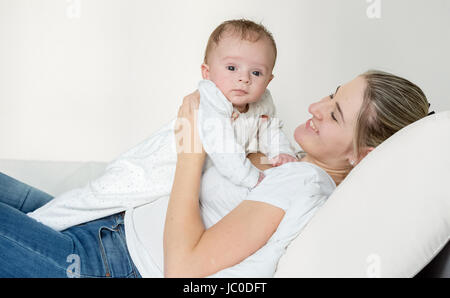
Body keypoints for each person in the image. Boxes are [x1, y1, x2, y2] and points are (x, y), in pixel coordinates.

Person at [0, 68, 431, 277]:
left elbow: (184, 269)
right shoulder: (293, 162)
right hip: (106, 226)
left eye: (335, 114)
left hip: (103, 262)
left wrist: (191, 148)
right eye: (331, 94)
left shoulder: (304, 184)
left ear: (364, 155)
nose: (317, 107)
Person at [24, 19, 297, 232]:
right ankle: (33, 225)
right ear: (207, 73)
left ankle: (35, 221)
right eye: (232, 68)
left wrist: (281, 154)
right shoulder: (211, 100)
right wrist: (252, 179)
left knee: (95, 214)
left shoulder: (263, 102)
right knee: (92, 201)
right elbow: (224, 150)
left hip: (175, 183)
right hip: (149, 169)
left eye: (256, 72)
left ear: (269, 79)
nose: (244, 79)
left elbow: (270, 129)